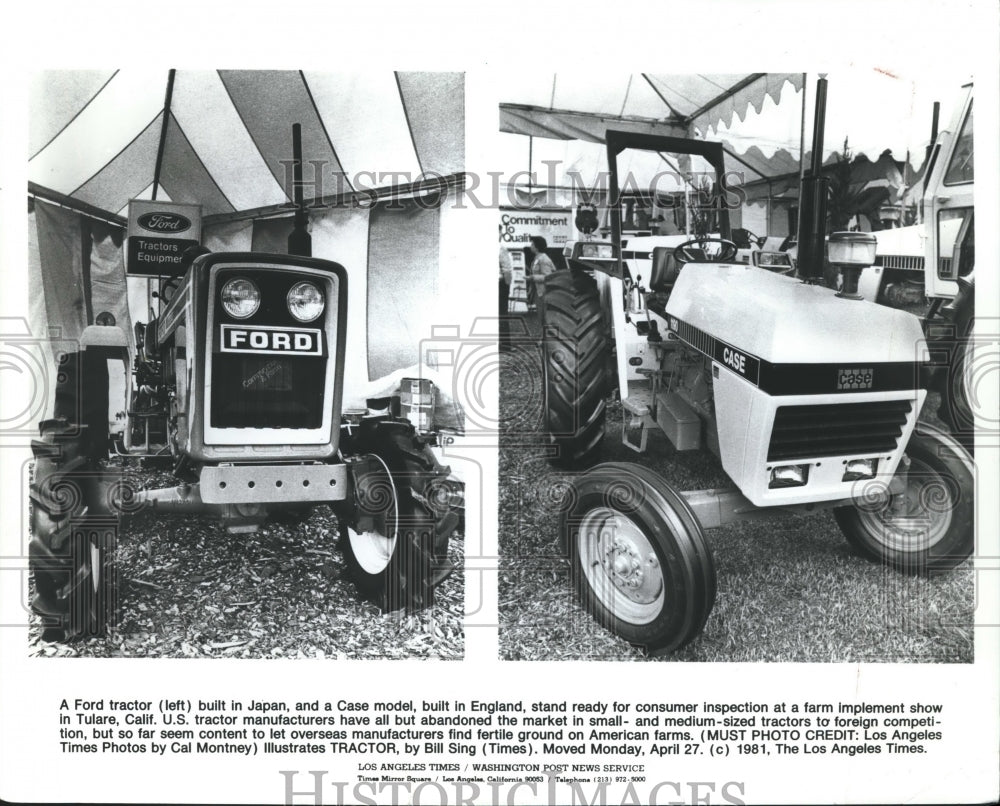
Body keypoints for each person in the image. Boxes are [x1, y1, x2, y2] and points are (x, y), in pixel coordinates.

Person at [527, 236, 557, 306]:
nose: (530, 246)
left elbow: (548, 277)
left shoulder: (543, 259)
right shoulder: (537, 258)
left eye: (532, 244)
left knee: (543, 315)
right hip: (539, 292)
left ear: (537, 247)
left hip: (544, 292)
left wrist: (532, 277)